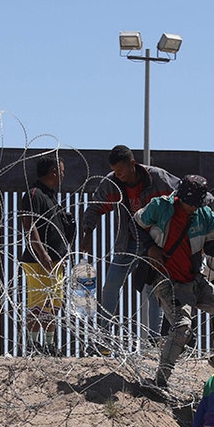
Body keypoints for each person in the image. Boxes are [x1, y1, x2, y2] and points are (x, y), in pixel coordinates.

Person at [133, 175, 214, 386]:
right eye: (189, 204)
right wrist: (150, 248)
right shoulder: (160, 207)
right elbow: (136, 224)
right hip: (166, 280)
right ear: (180, 197)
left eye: (196, 205)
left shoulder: (204, 214)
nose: (192, 208)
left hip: (193, 280)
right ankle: (161, 380)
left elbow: (213, 246)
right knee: (182, 327)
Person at [79, 145, 178, 343]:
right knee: (111, 286)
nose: (119, 175)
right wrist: (88, 232)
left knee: (152, 291)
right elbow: (94, 207)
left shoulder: (157, 178)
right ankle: (104, 338)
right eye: (115, 171)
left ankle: (153, 341)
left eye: (121, 170)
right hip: (129, 244)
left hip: (156, 245)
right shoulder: (113, 183)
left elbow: (182, 193)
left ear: (133, 164)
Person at [18, 154, 75, 355]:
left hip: (55, 262)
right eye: (61, 171)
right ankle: (33, 345)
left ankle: (49, 345)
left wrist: (62, 256)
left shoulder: (51, 197)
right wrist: (42, 254)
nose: (62, 175)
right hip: (37, 261)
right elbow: (29, 224)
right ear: (53, 171)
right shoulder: (34, 194)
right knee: (38, 304)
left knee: (53, 304)